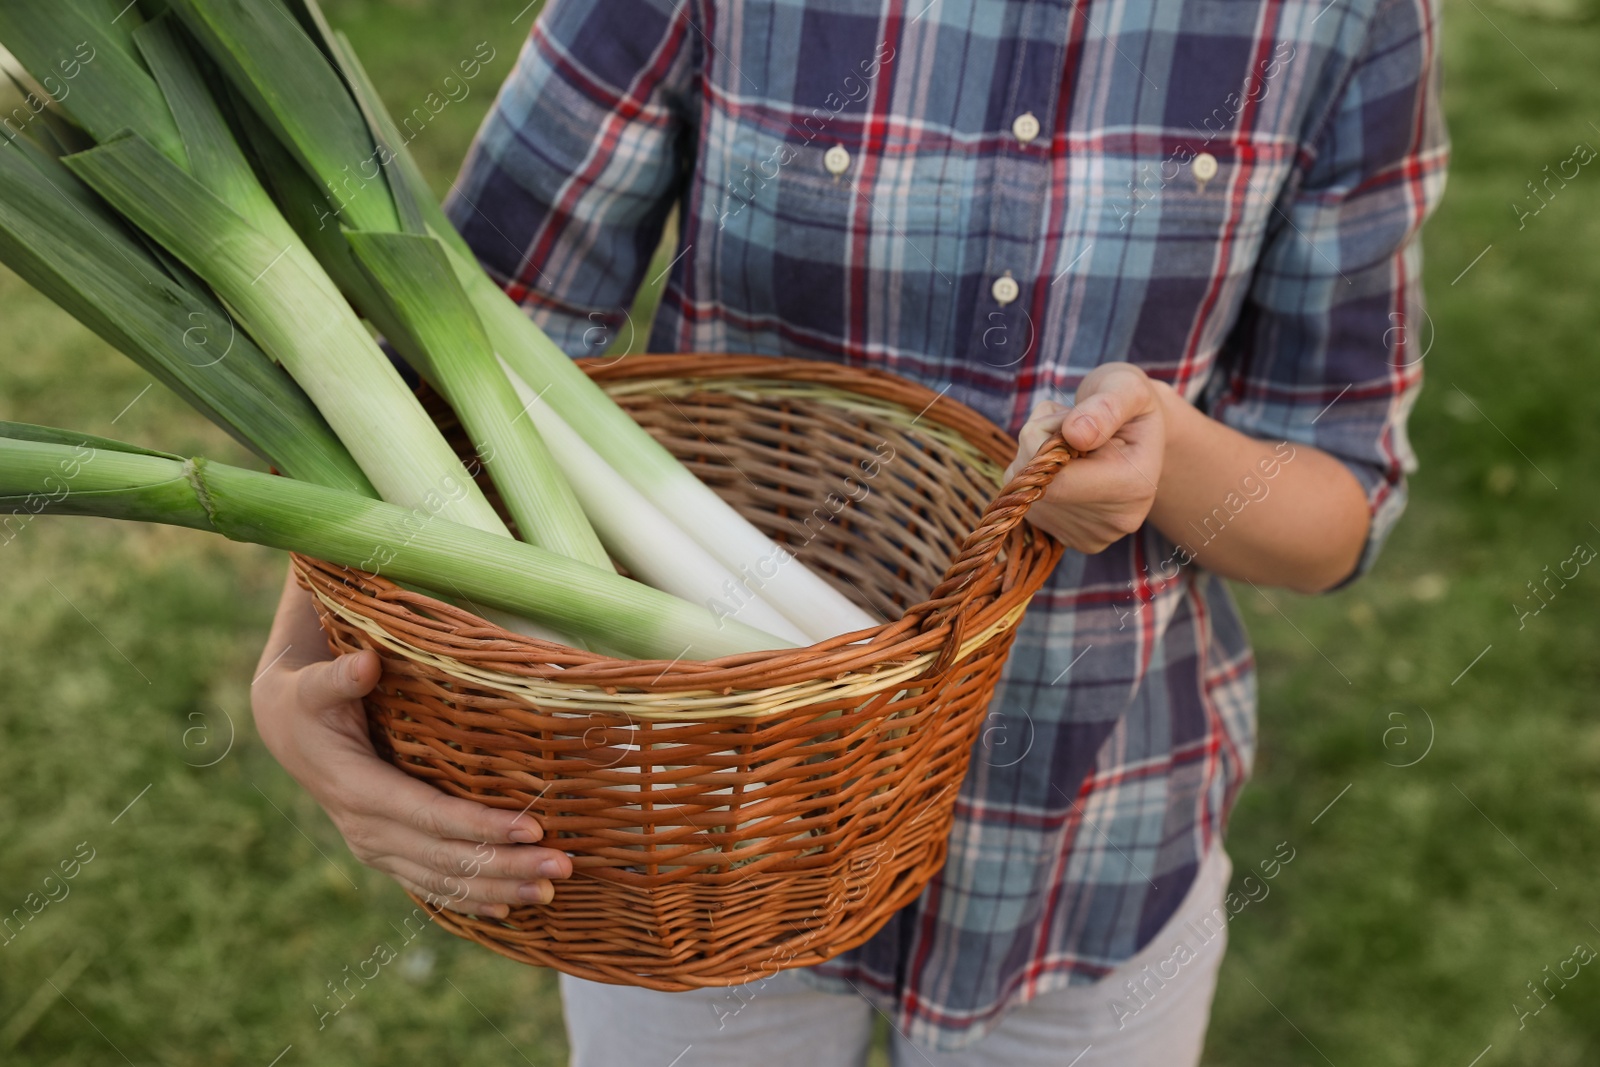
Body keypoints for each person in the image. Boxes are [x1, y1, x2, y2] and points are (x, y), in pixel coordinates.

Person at [251, 0, 1446, 1062]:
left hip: (1091, 846)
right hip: (685, 826)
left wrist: (1173, 455)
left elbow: (1335, 509)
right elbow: (451, 346)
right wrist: (296, 671)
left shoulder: (1341, 19)